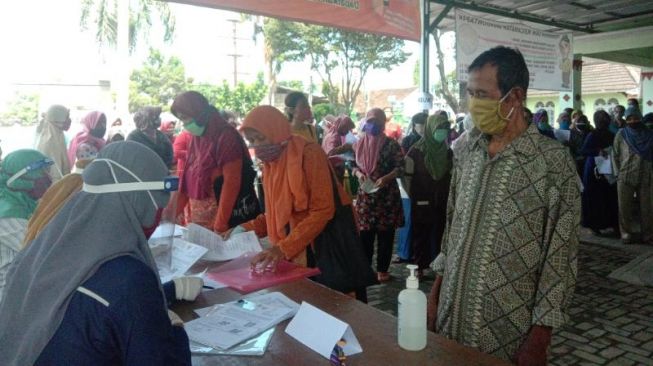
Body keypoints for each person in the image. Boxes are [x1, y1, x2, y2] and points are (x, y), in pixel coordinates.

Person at [427, 46, 580, 365]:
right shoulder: (467, 150)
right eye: (470, 93)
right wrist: (435, 296)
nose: (473, 104)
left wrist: (539, 340)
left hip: (508, 336)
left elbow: (560, 258)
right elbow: (452, 229)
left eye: (481, 94)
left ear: (515, 97)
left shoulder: (551, 163)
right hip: (449, 321)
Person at [0, 142, 194, 365]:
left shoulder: (44, 248)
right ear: (142, 200)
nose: (159, 214)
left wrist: (166, 292)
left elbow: (84, 307)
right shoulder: (128, 276)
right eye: (160, 202)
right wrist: (174, 329)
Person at [235, 105, 349, 268]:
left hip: (321, 247)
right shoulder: (271, 164)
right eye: (251, 141)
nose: (257, 145)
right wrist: (243, 228)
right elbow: (277, 213)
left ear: (276, 131)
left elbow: (323, 210)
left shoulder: (309, 154)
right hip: (293, 248)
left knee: (320, 292)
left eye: (260, 138)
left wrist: (283, 248)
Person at [171, 91, 260, 233]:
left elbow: (232, 182)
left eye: (186, 118)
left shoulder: (226, 136)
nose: (185, 124)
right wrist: (168, 216)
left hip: (224, 221)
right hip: (201, 224)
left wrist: (220, 223)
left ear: (199, 114)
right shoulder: (198, 138)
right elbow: (187, 181)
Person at [353, 108, 404, 282]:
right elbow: (352, 165)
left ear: (383, 124)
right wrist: (358, 174)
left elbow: (401, 167)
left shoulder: (391, 144)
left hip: (386, 198)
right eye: (370, 121)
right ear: (365, 123)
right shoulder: (359, 144)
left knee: (386, 236)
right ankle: (366, 269)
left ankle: (383, 270)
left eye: (377, 122)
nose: (373, 125)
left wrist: (387, 177)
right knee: (365, 236)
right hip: (366, 197)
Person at [0, 149, 53, 301]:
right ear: (23, 178)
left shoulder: (23, 203)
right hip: (6, 295)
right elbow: (39, 252)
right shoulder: (8, 214)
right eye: (42, 173)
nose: (48, 178)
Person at [404, 114, 452, 276]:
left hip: (442, 200)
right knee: (421, 234)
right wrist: (413, 197)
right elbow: (407, 178)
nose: (443, 132)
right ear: (431, 129)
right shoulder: (416, 151)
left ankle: (438, 267)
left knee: (440, 233)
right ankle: (420, 267)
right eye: (439, 128)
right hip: (421, 199)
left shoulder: (448, 153)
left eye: (445, 129)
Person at [23, 142, 99, 245]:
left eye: (47, 171)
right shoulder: (11, 214)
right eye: (41, 172)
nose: (48, 177)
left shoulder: (59, 190)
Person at [613, 106, 653, 244]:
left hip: (645, 175)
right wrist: (618, 173)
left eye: (636, 118)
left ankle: (648, 235)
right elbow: (615, 155)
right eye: (629, 118)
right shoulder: (621, 134)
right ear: (626, 119)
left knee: (647, 208)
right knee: (624, 207)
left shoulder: (649, 134)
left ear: (640, 118)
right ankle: (626, 234)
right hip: (625, 175)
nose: (633, 120)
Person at [580, 110, 620, 236]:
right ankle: (594, 225)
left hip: (608, 170)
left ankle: (612, 224)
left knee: (610, 196)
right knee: (594, 198)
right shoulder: (592, 135)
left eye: (605, 119)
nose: (604, 121)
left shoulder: (611, 134)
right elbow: (584, 150)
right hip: (594, 170)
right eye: (601, 119)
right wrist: (598, 151)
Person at [36, 104, 71, 179]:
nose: (69, 120)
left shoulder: (58, 136)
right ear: (58, 120)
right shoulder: (50, 142)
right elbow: (55, 175)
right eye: (67, 117)